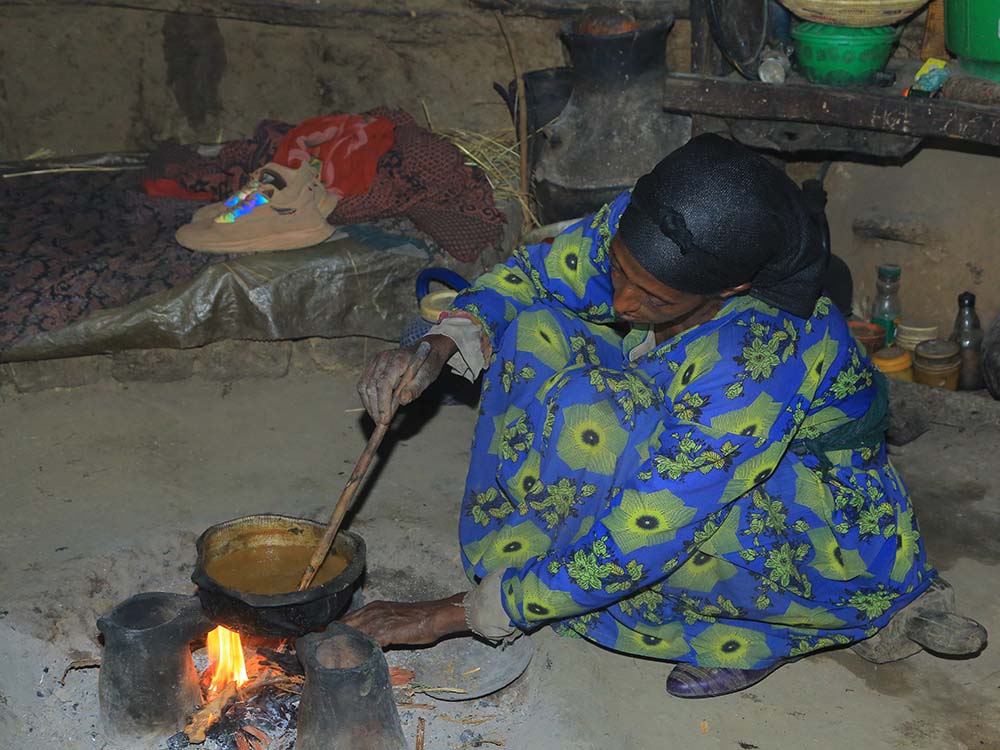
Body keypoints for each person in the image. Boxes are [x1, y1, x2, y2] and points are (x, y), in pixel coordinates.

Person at [343, 134, 934, 698]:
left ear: (734, 286)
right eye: (622, 271)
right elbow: (535, 277)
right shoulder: (651, 226)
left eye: (656, 300)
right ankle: (540, 566)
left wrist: (456, 615)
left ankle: (751, 638)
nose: (624, 301)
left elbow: (649, 525)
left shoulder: (759, 355)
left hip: (804, 518)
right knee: (532, 331)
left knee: (605, 456)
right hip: (693, 427)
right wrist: (440, 344)